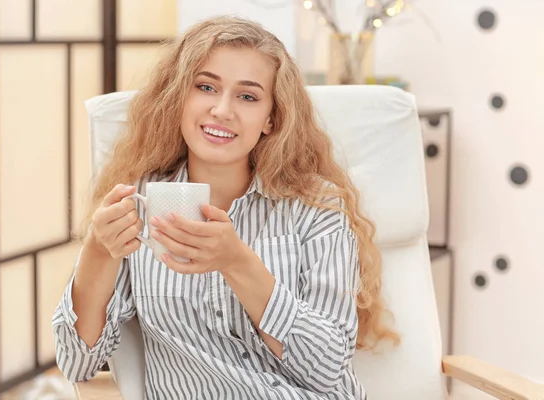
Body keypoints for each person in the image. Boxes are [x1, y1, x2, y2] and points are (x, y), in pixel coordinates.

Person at [53, 15, 398, 400]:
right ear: (179, 98)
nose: (221, 110)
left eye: (247, 96)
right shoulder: (140, 202)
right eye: (205, 87)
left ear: (271, 118)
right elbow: (77, 363)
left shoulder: (316, 207)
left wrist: (237, 263)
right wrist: (98, 251)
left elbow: (328, 369)